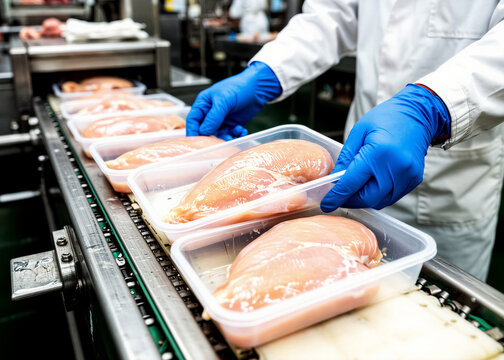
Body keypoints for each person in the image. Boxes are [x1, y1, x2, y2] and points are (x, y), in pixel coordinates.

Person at [185, 0, 504, 281]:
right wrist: (269, 71)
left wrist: (436, 106)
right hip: (354, 155)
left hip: (450, 179)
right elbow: (331, 14)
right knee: (330, 279)